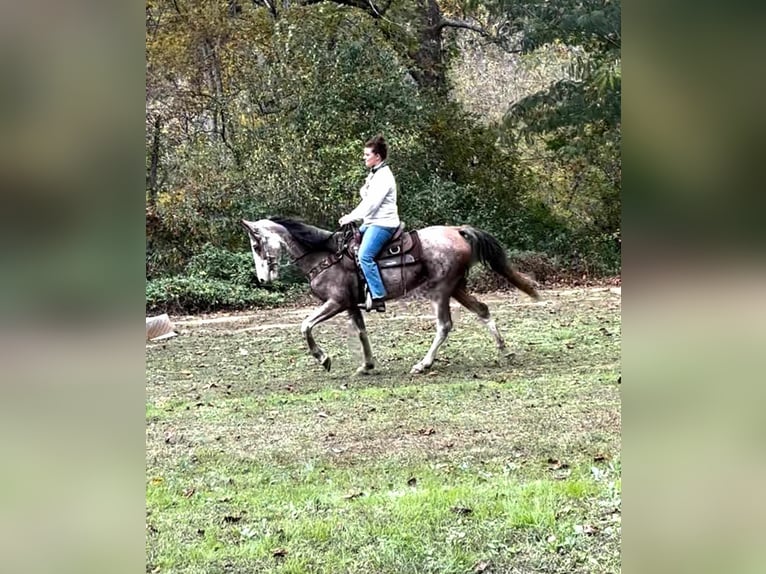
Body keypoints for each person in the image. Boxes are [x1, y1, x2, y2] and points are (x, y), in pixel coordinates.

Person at [338, 134, 400, 312]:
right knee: (348, 246)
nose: (364, 158)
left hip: (383, 223)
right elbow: (366, 197)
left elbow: (371, 204)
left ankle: (378, 296)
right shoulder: (375, 174)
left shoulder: (383, 177)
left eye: (367, 155)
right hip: (372, 222)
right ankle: (358, 290)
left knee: (365, 255)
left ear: (377, 157)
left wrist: (351, 216)